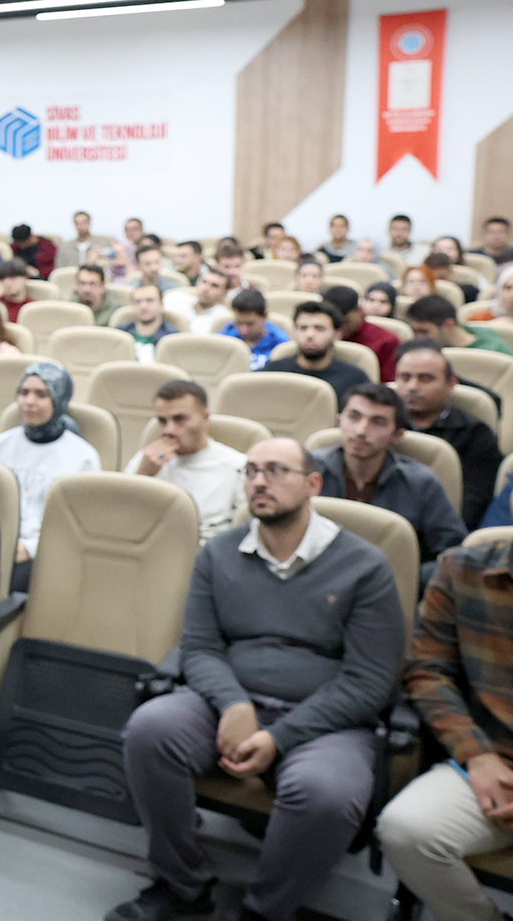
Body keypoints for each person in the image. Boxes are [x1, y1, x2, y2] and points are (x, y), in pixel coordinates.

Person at [109, 437, 402, 921]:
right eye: (249, 471)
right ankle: (184, 886)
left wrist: (280, 736)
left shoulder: (364, 566)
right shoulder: (219, 553)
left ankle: (266, 911)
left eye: (275, 471)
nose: (259, 482)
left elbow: (368, 681)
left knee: (325, 793)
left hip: (324, 720)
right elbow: (200, 646)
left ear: (313, 484)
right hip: (229, 700)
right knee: (150, 729)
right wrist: (233, 705)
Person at [377, 532, 513, 921]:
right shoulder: (461, 569)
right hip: (491, 758)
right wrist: (477, 754)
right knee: (407, 829)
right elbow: (428, 671)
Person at [314, 383, 466, 572]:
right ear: (339, 421)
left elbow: (452, 553)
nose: (361, 430)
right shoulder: (308, 470)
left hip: (394, 584)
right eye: (354, 417)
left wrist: (411, 581)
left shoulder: (421, 483)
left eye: (377, 422)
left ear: (397, 435)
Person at [0, 362, 100, 591]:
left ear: (60, 399)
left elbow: (78, 525)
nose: (29, 401)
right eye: (23, 392)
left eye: (41, 394)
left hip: (48, 552)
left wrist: (29, 548)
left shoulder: (83, 457)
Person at [395, 338, 502, 528]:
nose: (412, 386)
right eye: (405, 377)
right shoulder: (380, 425)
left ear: (451, 383)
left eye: (425, 378)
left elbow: (472, 505)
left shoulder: (475, 434)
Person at [126, 379, 247, 544]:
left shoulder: (237, 466)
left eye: (180, 419)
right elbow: (122, 521)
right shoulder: (146, 460)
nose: (169, 430)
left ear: (205, 418)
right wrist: (142, 475)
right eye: (162, 421)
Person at [262, 300, 369, 403]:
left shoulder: (355, 380)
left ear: (337, 335)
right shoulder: (272, 372)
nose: (310, 335)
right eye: (303, 328)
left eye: (319, 328)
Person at [320, 285, 399, 382]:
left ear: (359, 311)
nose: (338, 330)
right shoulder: (315, 337)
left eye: (344, 322)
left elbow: (387, 385)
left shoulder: (387, 341)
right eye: (332, 325)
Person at [407, 295, 513, 355]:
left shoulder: (494, 351)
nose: (418, 338)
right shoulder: (417, 350)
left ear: (449, 324)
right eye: (415, 332)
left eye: (424, 332)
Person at [221, 289, 288, 370]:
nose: (243, 330)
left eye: (250, 324)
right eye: (239, 323)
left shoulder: (281, 345)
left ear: (264, 316)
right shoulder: (224, 339)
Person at [120, 283, 177, 363]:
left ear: (161, 304)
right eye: (138, 301)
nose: (143, 306)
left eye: (149, 300)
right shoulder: (120, 335)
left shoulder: (173, 338)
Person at [165, 267, 233, 335]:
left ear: (224, 293)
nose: (206, 288)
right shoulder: (174, 298)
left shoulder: (223, 317)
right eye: (204, 282)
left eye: (214, 286)